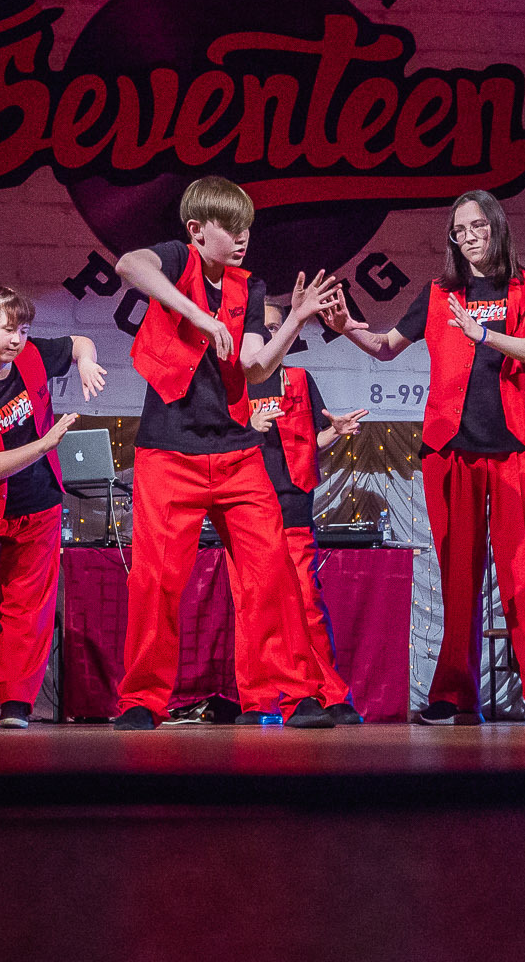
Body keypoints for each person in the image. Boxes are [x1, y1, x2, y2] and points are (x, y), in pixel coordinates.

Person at [321, 190, 525, 726]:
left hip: (516, 448)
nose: (470, 236)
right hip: (451, 449)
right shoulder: (438, 294)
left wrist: (483, 334)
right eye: (460, 230)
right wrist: (349, 329)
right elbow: (387, 346)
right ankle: (454, 696)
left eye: (478, 225)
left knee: (524, 573)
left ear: (496, 226)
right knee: (457, 578)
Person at [110, 175, 344, 730]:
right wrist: (196, 314)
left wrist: (295, 319)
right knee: (156, 582)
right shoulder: (177, 261)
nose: (243, 238)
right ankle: (143, 700)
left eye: (247, 228)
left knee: (272, 576)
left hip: (238, 454)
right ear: (196, 230)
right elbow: (128, 265)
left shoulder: (248, 287)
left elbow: (254, 367)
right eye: (231, 227)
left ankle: (294, 694)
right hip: (170, 452)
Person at [0, 287, 104, 728]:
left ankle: (15, 703)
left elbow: (80, 343)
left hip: (36, 504)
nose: (17, 339)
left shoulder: (32, 356)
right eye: (8, 329)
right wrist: (43, 444)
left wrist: (86, 361)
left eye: (24, 330)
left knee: (29, 608)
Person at [241, 315, 368, 724]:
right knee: (254, 607)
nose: (270, 332)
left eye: (276, 325)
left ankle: (329, 694)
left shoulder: (297, 379)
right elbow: (212, 441)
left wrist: (336, 432)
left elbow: (309, 442)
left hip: (294, 504)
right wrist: (246, 427)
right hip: (246, 508)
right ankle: (259, 701)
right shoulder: (232, 383)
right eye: (261, 326)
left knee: (306, 604)